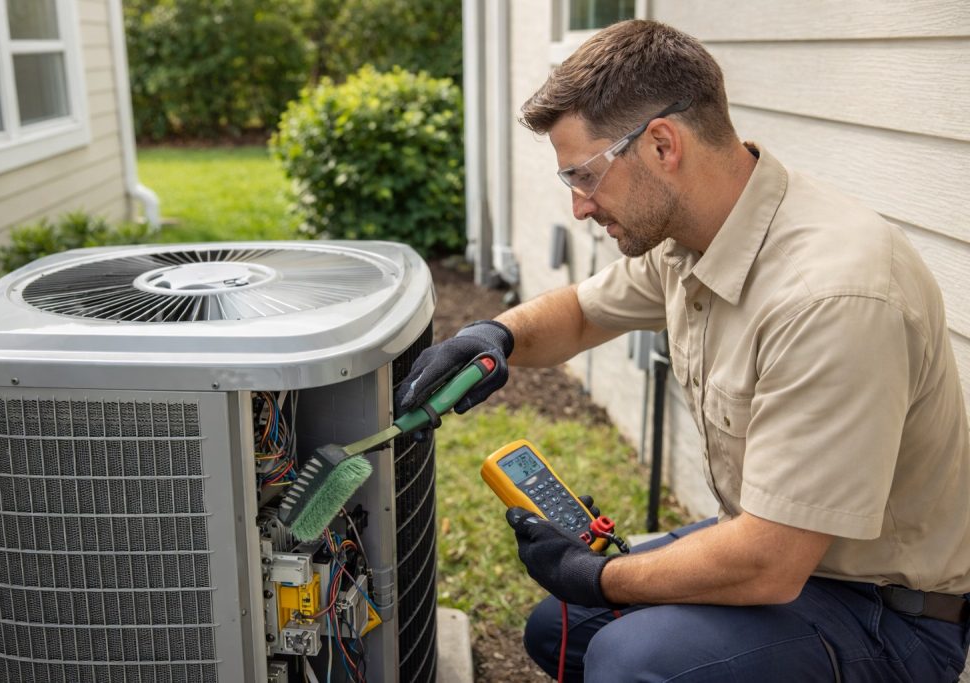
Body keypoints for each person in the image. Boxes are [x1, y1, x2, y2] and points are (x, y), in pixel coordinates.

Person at [395, 18, 970, 683]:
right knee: (559, 626)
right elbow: (581, 313)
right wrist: (491, 336)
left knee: (629, 659)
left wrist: (604, 572)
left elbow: (768, 560)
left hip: (884, 615)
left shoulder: (832, 296)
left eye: (585, 176)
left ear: (662, 144)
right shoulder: (694, 231)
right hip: (795, 564)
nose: (580, 206)